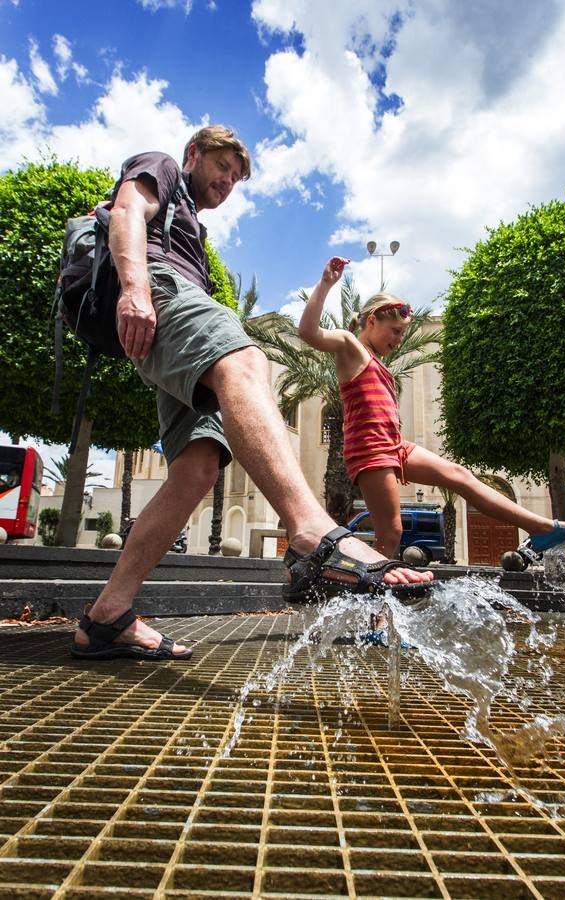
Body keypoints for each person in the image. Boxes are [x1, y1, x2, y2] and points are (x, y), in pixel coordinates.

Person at [70, 128, 434, 662]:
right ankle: (311, 531)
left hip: (169, 308)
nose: (227, 181)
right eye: (221, 166)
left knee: (197, 468)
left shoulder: (193, 225)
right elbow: (127, 211)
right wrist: (134, 290)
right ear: (194, 154)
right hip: (160, 289)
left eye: (237, 177)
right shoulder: (163, 166)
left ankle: (107, 616)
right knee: (247, 359)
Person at [298, 256, 565, 566]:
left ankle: (543, 529)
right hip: (371, 450)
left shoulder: (377, 360)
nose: (398, 340)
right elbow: (309, 333)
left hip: (394, 446)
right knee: (390, 534)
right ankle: (370, 603)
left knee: (461, 475)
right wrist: (325, 284)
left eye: (402, 333)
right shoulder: (350, 346)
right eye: (395, 331)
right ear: (372, 320)